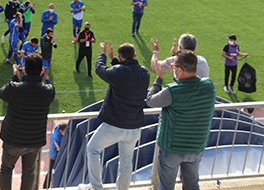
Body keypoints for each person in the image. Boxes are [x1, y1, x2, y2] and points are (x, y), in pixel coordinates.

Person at [78, 42, 149, 190]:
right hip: (134, 127)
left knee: (93, 149)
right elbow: (127, 74)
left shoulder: (119, 72)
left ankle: (96, 187)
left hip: (114, 125)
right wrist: (115, 61)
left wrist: (102, 54)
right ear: (134, 55)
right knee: (126, 162)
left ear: (120, 57)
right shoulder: (145, 73)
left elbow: (100, 69)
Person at [146, 49, 215, 190]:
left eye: (174, 67)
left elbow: (150, 101)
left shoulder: (171, 91)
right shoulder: (209, 86)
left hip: (172, 149)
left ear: (181, 70)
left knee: (165, 187)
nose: (173, 69)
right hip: (196, 147)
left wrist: (158, 78)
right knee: (192, 185)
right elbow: (188, 91)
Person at [0, 53, 55, 190]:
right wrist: (46, 78)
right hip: (34, 141)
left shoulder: (14, 88)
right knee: (29, 173)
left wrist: (14, 76)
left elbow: (2, 93)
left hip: (12, 139)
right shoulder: (48, 92)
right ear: (42, 70)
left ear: (24, 69)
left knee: (6, 169)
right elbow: (49, 88)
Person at [44, 123, 67, 189]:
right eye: (65, 131)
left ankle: (46, 186)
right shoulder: (56, 137)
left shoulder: (57, 131)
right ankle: (46, 186)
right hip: (55, 157)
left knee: (51, 171)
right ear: (61, 130)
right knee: (52, 171)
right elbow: (59, 149)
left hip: (54, 155)